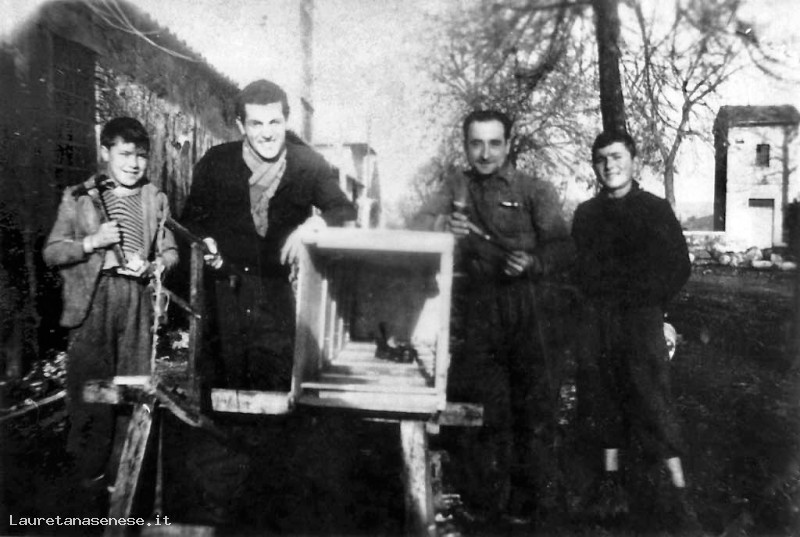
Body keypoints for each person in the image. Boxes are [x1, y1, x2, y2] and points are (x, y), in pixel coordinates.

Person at [415, 109, 575, 525]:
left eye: (494, 143)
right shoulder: (456, 186)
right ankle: (483, 504)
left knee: (534, 412)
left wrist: (534, 262)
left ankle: (532, 507)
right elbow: (418, 223)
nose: (485, 154)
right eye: (476, 144)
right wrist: (443, 225)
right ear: (465, 145)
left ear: (508, 144)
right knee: (485, 411)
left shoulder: (534, 189)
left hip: (531, 310)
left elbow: (563, 247)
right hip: (481, 310)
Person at [181, 79, 355, 392]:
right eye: (256, 124)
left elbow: (343, 209)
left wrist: (314, 225)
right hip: (224, 295)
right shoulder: (216, 162)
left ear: (286, 121)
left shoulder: (307, 164)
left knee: (277, 390)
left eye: (274, 122)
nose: (267, 133)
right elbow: (191, 219)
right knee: (221, 392)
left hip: (278, 296)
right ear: (241, 126)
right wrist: (205, 240)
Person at [43, 117, 178, 498]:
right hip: (93, 303)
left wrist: (154, 266)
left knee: (132, 391)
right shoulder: (79, 197)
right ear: (105, 152)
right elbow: (52, 252)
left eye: (141, 156)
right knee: (88, 393)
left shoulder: (155, 197)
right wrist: (92, 243)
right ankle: (86, 483)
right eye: (125, 154)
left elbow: (170, 251)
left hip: (136, 303)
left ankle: (123, 483)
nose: (134, 164)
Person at [571, 130, 697, 532]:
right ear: (595, 166)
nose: (610, 165)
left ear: (633, 162)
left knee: (652, 398)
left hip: (641, 319)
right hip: (598, 320)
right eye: (602, 159)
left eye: (617, 157)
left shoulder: (654, 210)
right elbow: (577, 269)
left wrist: (652, 303)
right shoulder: (586, 215)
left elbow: (679, 266)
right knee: (602, 396)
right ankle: (610, 489)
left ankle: (678, 494)